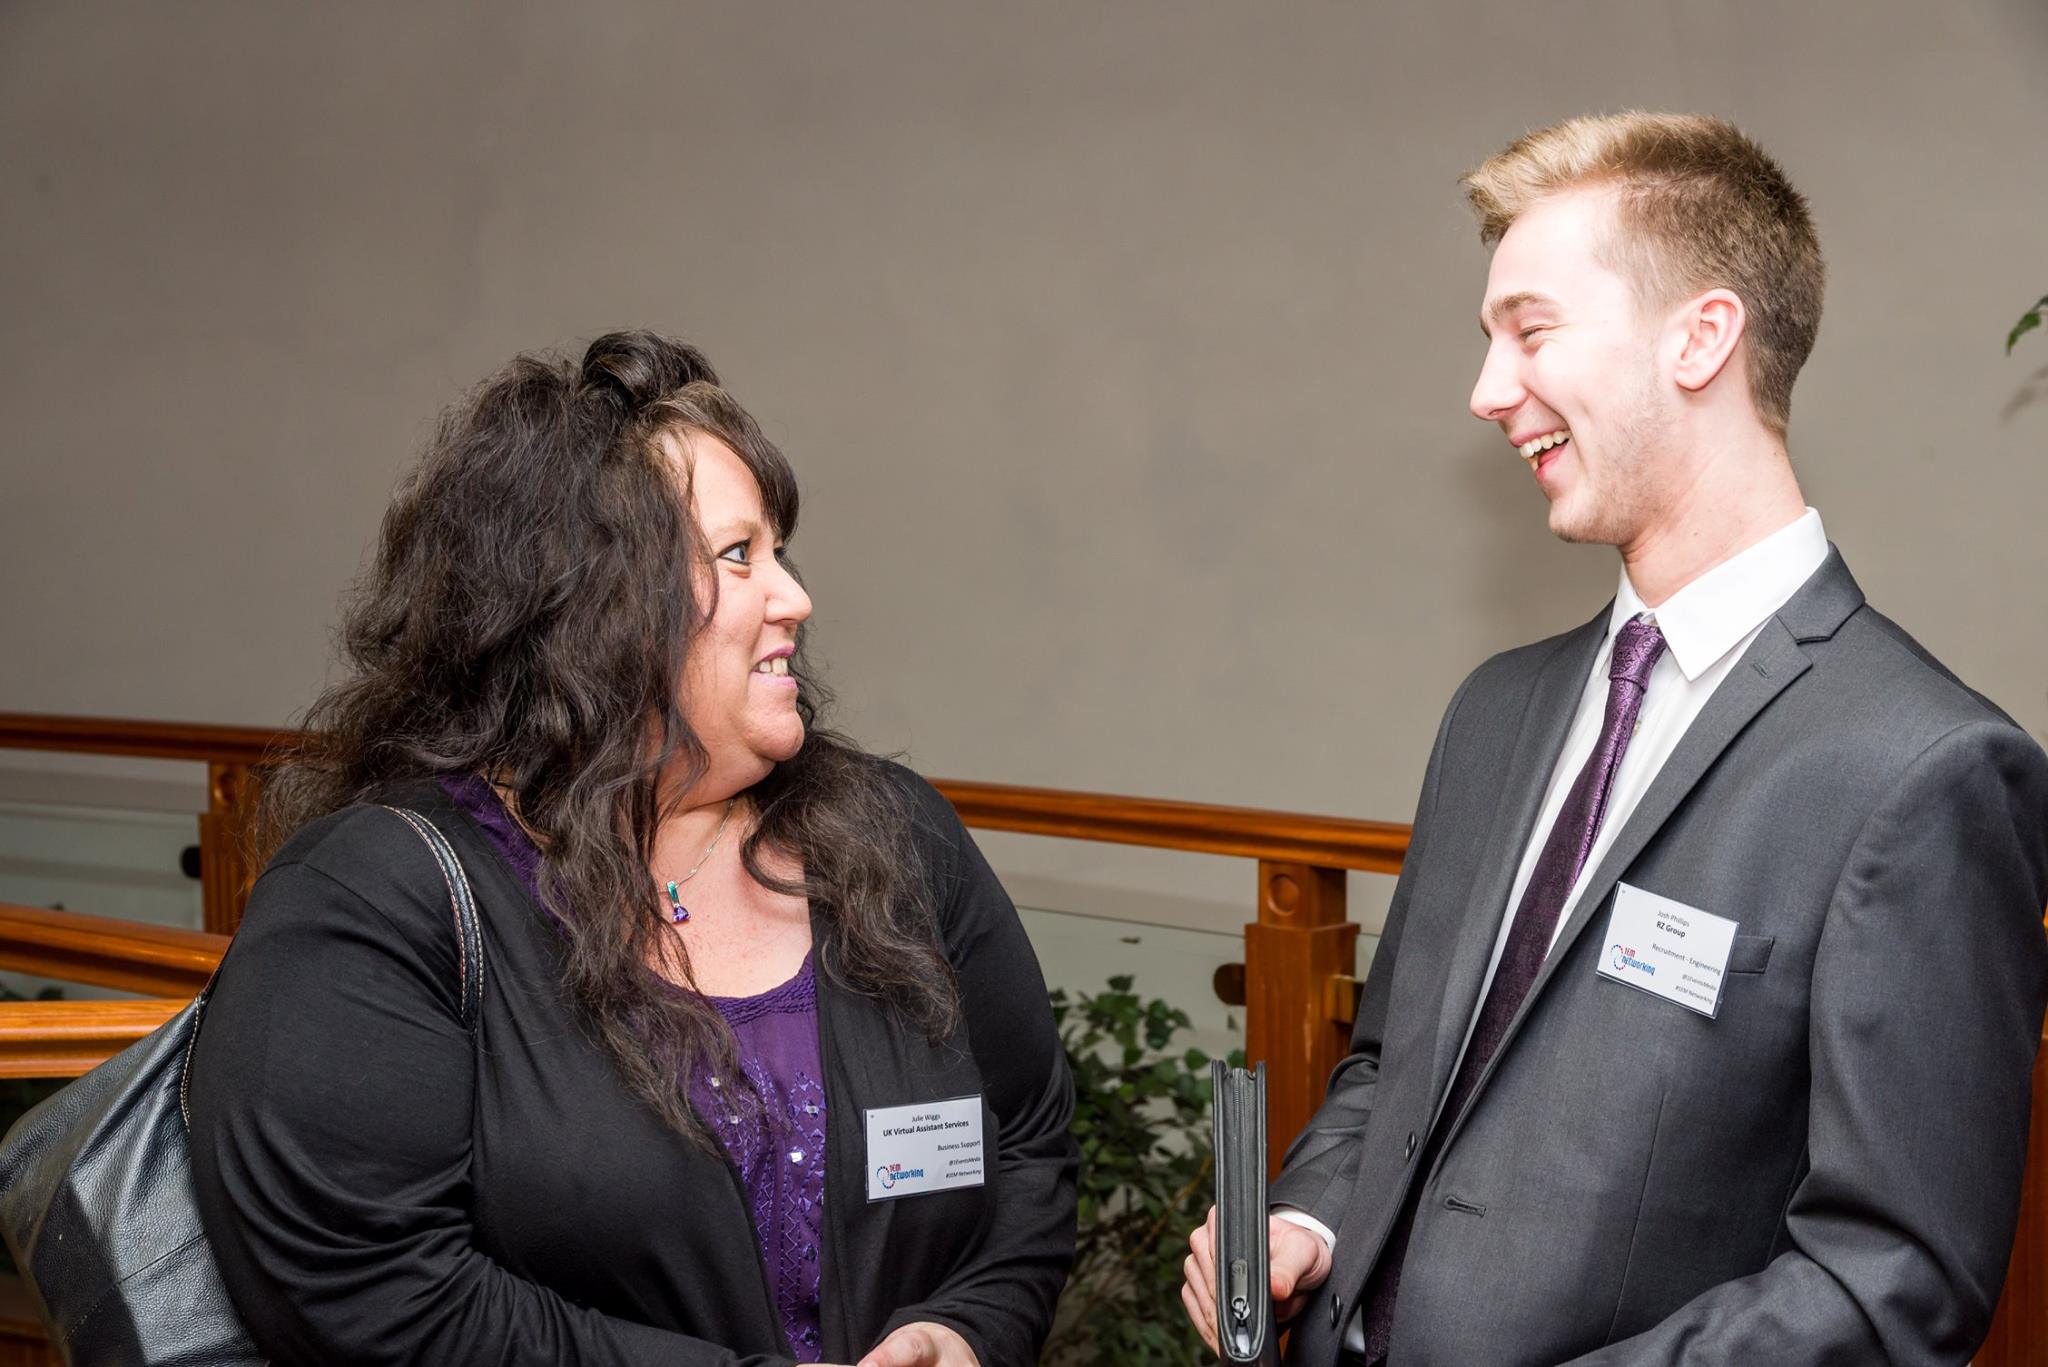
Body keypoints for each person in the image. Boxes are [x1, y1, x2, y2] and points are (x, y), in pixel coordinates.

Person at [1182, 112, 2048, 1364]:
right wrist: (1308, 1216)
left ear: (1700, 337)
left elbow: (1887, 1283)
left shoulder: (1923, 769)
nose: (1485, 391)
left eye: (1530, 331)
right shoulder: (1494, 710)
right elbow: (1386, 1065)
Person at [188, 331, 1079, 1367]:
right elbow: (370, 1289)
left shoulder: (896, 837)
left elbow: (1027, 1146)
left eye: (779, 552)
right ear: (587, 604)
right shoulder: (376, 900)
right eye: (738, 555)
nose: (793, 597)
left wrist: (963, 1329)